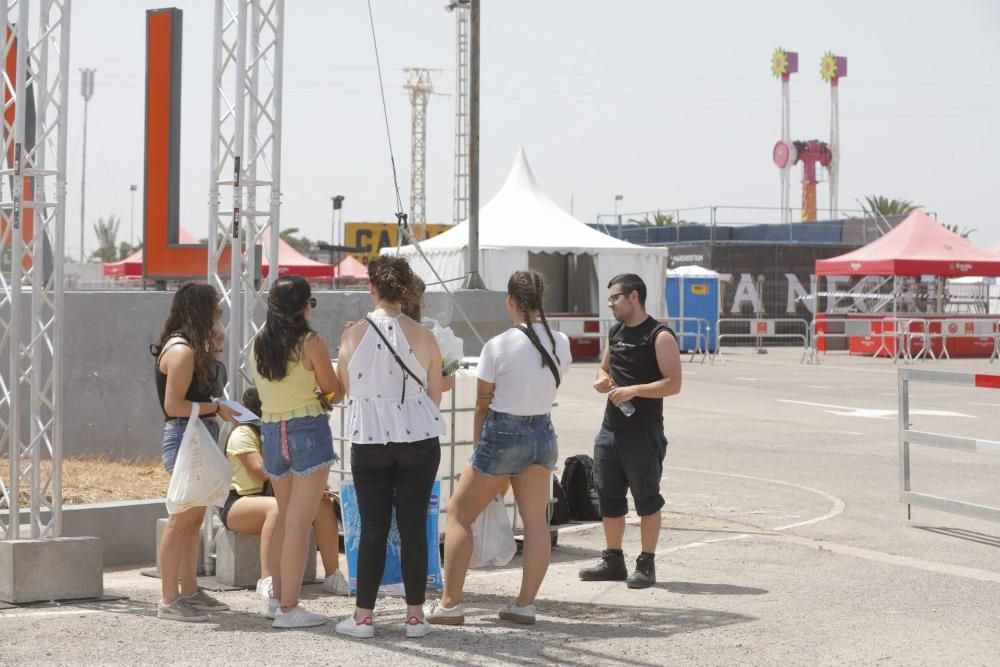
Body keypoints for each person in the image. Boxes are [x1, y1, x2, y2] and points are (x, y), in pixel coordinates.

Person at [427, 270, 571, 627]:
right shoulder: (562, 342)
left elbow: (482, 405)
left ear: (511, 301)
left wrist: (479, 452)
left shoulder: (498, 345)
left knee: (460, 513)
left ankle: (450, 605)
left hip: (502, 434)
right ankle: (524, 605)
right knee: (536, 523)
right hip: (542, 432)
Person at [334, 255, 445, 639]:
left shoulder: (351, 335)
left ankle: (364, 617)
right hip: (418, 437)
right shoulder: (426, 336)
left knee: (373, 529)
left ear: (372, 287)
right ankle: (415, 617)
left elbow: (345, 389)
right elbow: (435, 397)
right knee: (415, 527)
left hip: (370, 439)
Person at [251, 275, 344, 629]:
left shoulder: (258, 342)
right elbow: (333, 391)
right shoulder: (311, 342)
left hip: (272, 431)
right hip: (307, 429)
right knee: (297, 524)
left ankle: (277, 601)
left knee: (285, 518)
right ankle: (290, 608)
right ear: (304, 306)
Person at [578, 273, 681, 589]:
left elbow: (673, 384)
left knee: (647, 499)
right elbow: (603, 367)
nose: (610, 304)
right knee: (608, 496)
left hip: (643, 432)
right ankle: (613, 559)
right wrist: (600, 379)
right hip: (610, 431)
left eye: (615, 298)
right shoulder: (616, 331)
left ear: (634, 297)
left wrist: (633, 390)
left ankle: (646, 564)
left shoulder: (659, 335)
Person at [153, 282, 236, 622]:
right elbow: (175, 405)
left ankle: (188, 591)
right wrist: (215, 406)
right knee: (182, 520)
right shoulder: (182, 350)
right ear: (203, 310)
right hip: (186, 438)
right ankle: (170, 599)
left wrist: (214, 354)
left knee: (192, 519)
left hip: (194, 437)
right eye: (215, 307)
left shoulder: (187, 347)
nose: (219, 313)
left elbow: (199, 391)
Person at [218, 386, 349, 599]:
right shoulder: (243, 432)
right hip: (238, 503)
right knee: (276, 509)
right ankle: (267, 578)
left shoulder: (280, 431)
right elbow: (261, 471)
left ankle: (332, 575)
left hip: (276, 494)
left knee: (321, 504)